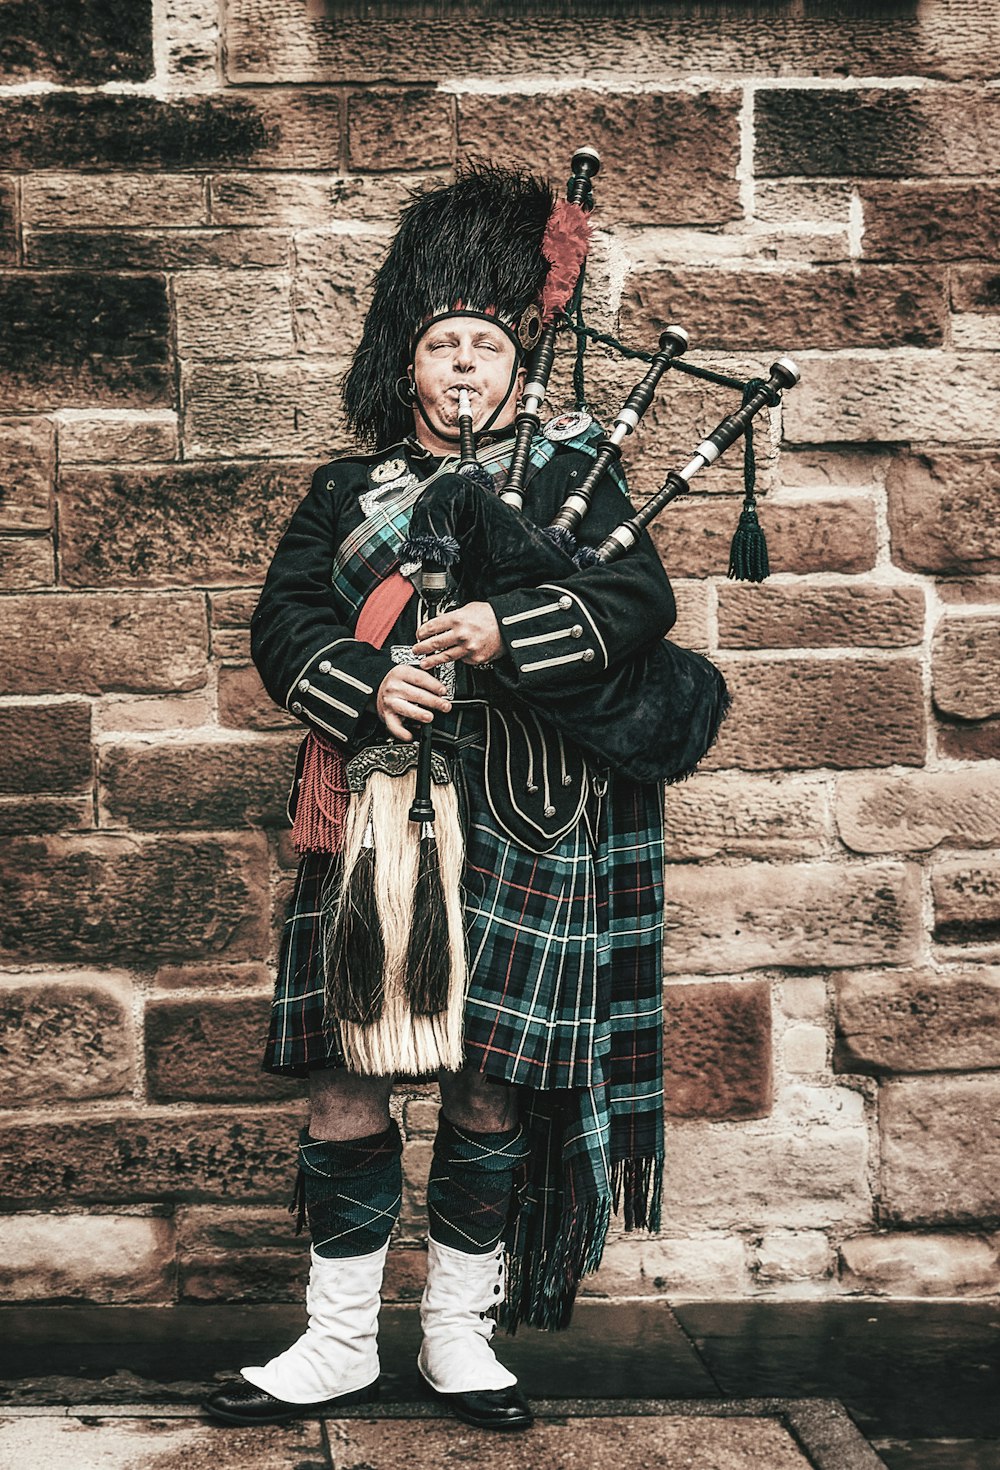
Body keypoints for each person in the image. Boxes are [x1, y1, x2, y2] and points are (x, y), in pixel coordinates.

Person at [203, 165, 676, 1433]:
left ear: (518, 366)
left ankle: (458, 1336)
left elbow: (642, 606)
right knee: (347, 1074)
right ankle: (336, 1342)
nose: (464, 362)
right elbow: (283, 621)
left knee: (490, 1085)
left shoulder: (575, 476)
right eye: (441, 342)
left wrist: (509, 624)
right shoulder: (343, 492)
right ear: (405, 366)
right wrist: (365, 688)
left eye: (487, 343)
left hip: (527, 817)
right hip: (372, 810)